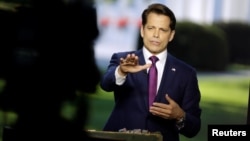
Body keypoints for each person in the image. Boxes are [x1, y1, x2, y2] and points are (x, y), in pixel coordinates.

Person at [0, 0, 100, 141]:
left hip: (27, 121)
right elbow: (89, 81)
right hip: (48, 117)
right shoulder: (69, 24)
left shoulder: (24, 22)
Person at [100, 3, 201, 141]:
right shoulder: (122, 60)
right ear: (142, 30)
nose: (156, 35)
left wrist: (180, 116)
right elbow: (105, 84)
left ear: (171, 35)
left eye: (163, 30)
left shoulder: (186, 74)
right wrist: (121, 71)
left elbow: (194, 128)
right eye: (151, 28)